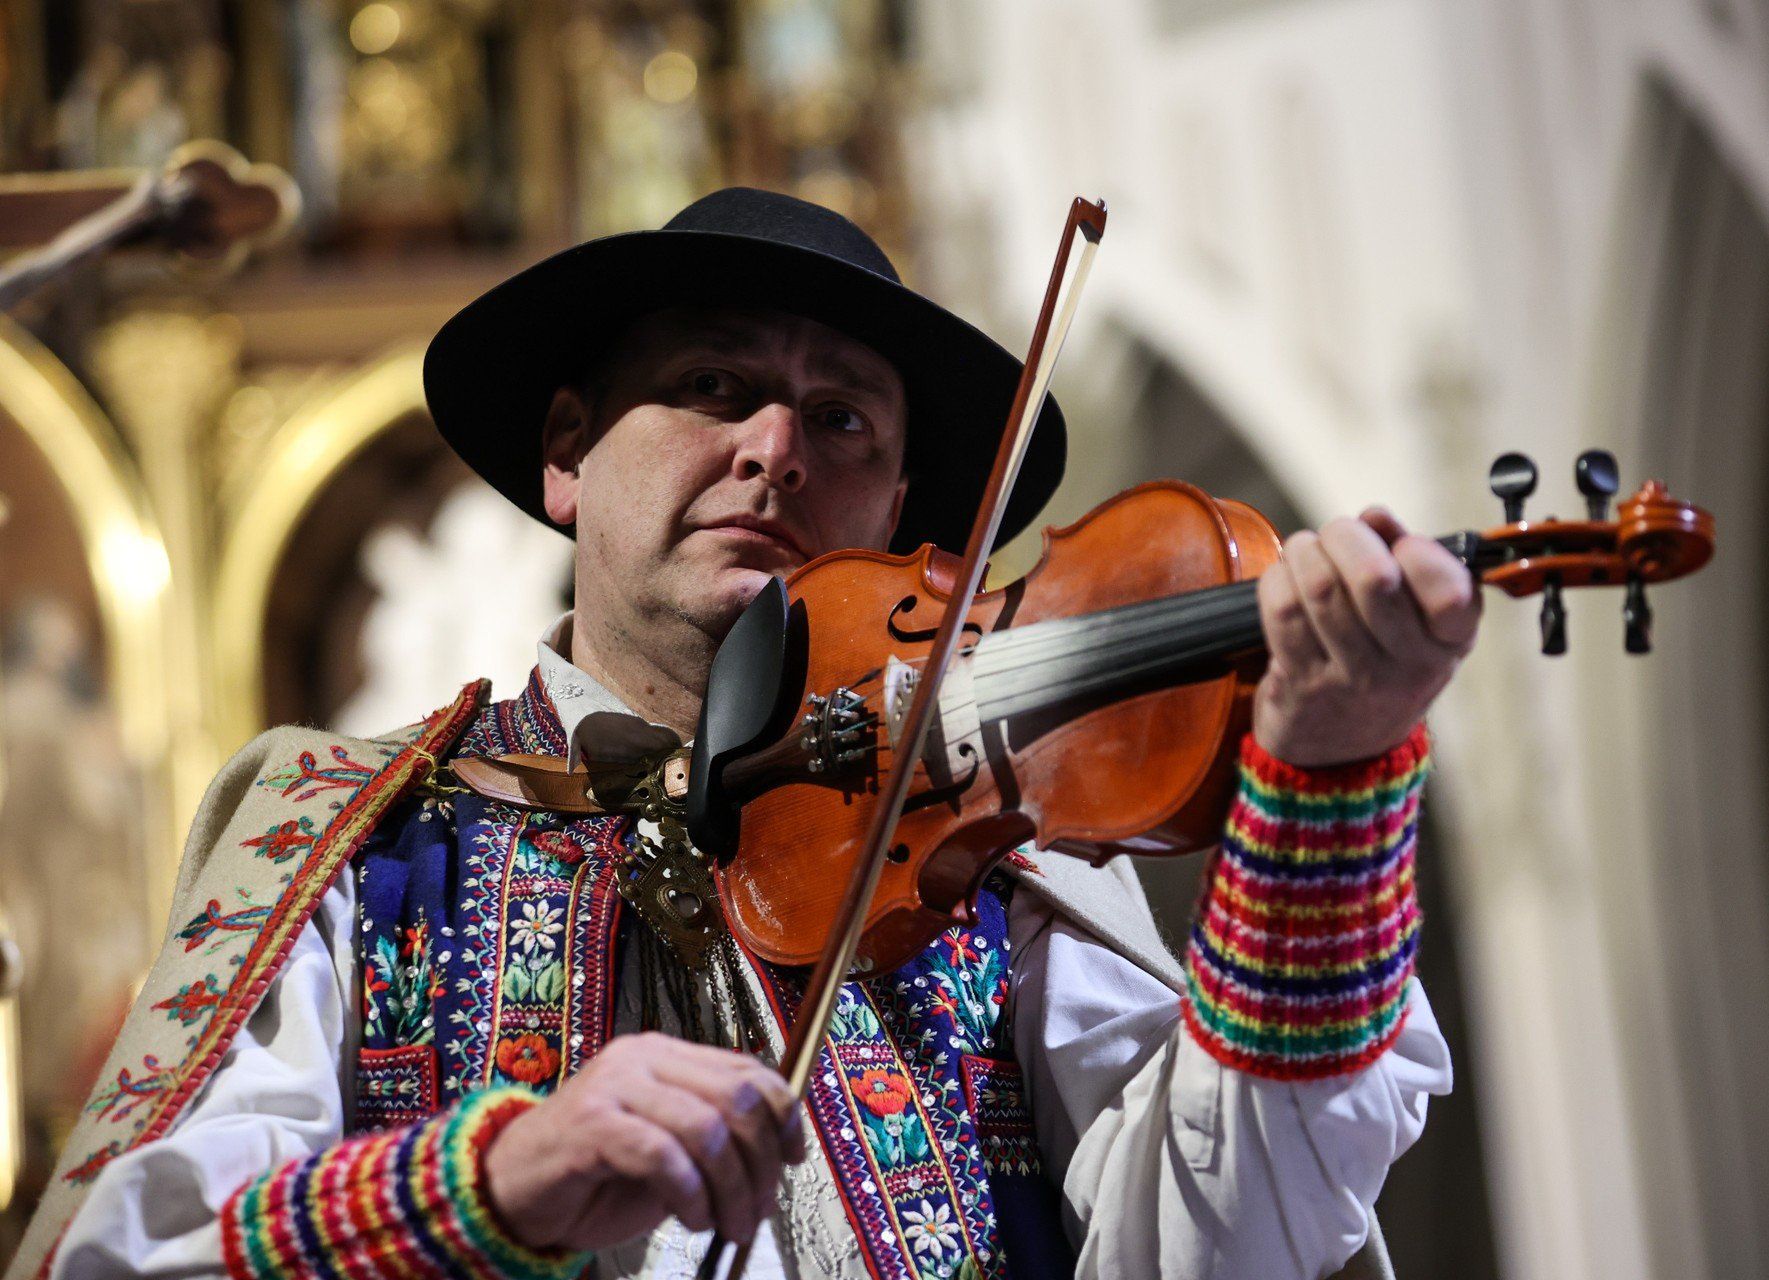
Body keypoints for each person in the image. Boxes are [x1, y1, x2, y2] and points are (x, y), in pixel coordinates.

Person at [10, 188, 1474, 1280]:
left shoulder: (1001, 867)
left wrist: (1327, 781)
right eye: (714, 387)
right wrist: (492, 1181)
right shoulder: (353, 830)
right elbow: (133, 1259)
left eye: (844, 423)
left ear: (900, 516)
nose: (775, 449)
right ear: (567, 451)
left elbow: (1230, 1238)